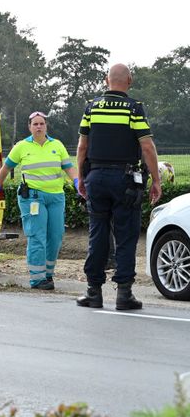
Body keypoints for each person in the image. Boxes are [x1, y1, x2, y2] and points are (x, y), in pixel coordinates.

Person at [76, 64, 161, 310]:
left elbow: (82, 146)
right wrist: (156, 180)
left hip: (96, 177)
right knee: (125, 236)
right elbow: (146, 146)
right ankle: (124, 295)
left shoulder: (91, 107)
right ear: (129, 81)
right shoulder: (134, 109)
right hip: (124, 180)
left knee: (97, 235)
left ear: (106, 80)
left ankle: (94, 292)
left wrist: (81, 177)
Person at [0, 112, 78, 290]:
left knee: (55, 236)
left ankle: (48, 274)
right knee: (37, 237)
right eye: (35, 124)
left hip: (56, 197)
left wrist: (77, 182)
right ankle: (37, 279)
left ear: (46, 126)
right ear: (29, 127)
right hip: (33, 198)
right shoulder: (22, 147)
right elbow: (6, 167)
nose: (39, 127)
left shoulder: (57, 145)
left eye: (42, 124)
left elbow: (69, 168)